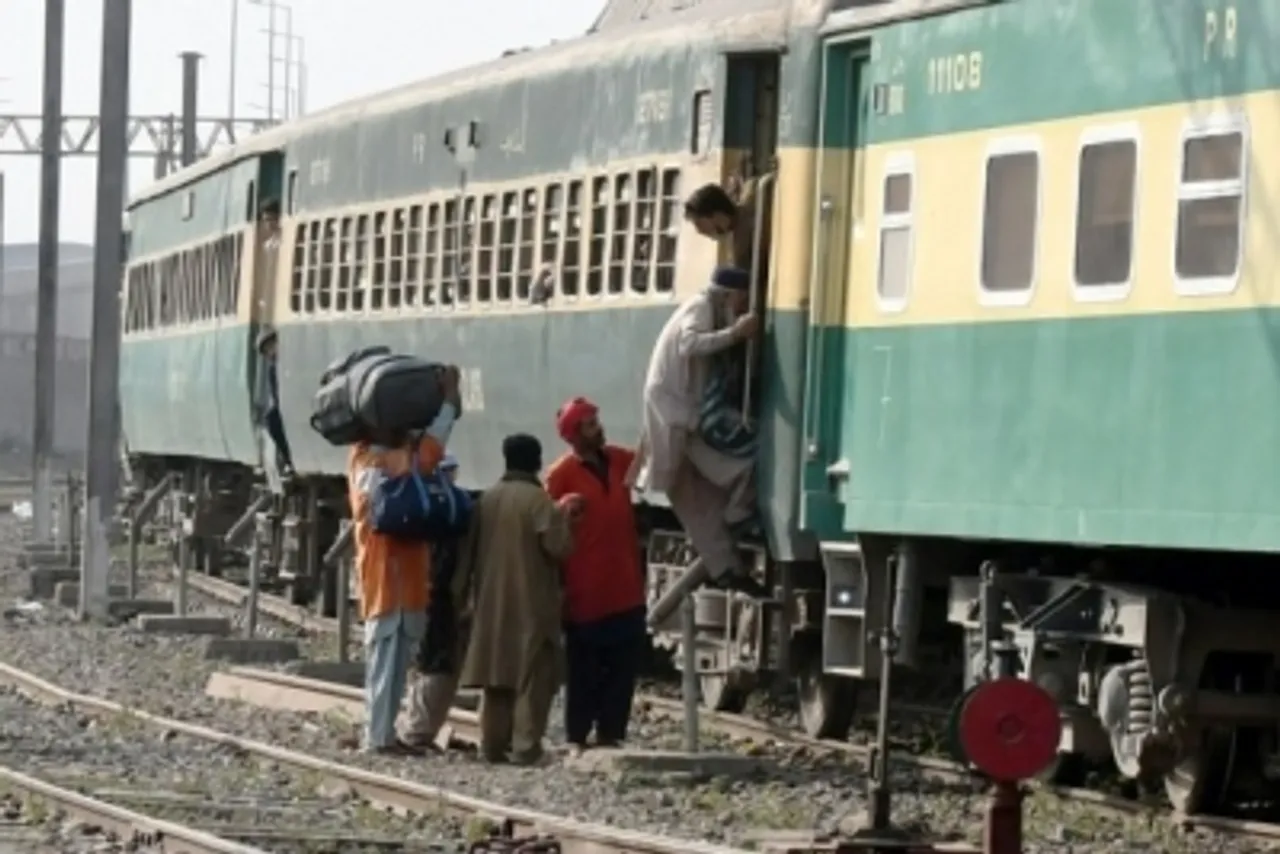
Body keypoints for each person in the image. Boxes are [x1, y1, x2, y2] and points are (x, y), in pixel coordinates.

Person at [632, 265, 767, 598]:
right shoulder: (701, 307)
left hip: (680, 414)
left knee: (694, 499)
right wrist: (735, 334)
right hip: (678, 413)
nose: (741, 307)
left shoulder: (706, 308)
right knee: (719, 479)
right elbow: (689, 344)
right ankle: (731, 539)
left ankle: (725, 566)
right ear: (730, 295)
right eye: (741, 300)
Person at [347, 367, 461, 755]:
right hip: (384, 578)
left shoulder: (389, 458)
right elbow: (428, 454)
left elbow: (427, 453)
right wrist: (447, 405)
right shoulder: (369, 461)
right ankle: (376, 737)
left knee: (398, 661)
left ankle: (385, 734)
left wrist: (447, 406)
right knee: (384, 661)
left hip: (406, 579)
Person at [455, 434, 580, 765]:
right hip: (532, 602)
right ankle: (526, 747)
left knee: (497, 677)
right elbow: (559, 548)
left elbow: (467, 554)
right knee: (534, 676)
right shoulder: (539, 502)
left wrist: (462, 596)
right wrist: (566, 519)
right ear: (537, 461)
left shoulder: (487, 500)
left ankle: (492, 746)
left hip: (491, 602)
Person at [546, 398, 646, 752]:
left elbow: (647, 458)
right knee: (584, 670)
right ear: (574, 435)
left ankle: (611, 733)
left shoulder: (618, 460)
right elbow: (548, 531)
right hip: (585, 592)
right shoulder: (560, 475)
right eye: (589, 424)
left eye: (596, 420)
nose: (598, 427)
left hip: (625, 587)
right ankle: (576, 734)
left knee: (622, 667)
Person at [400, 454, 466, 751]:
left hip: (416, 589)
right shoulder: (452, 509)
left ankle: (415, 726)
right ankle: (419, 731)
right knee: (437, 661)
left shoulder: (416, 506)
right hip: (440, 594)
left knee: (422, 660)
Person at [683, 180, 771, 276]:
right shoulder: (756, 190)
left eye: (699, 223)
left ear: (715, 214)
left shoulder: (740, 252)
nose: (700, 231)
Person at [255, 327, 295, 478]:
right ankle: (288, 458)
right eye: (267, 351)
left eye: (271, 346)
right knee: (272, 418)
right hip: (286, 406)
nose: (271, 352)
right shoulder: (273, 369)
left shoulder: (291, 360)